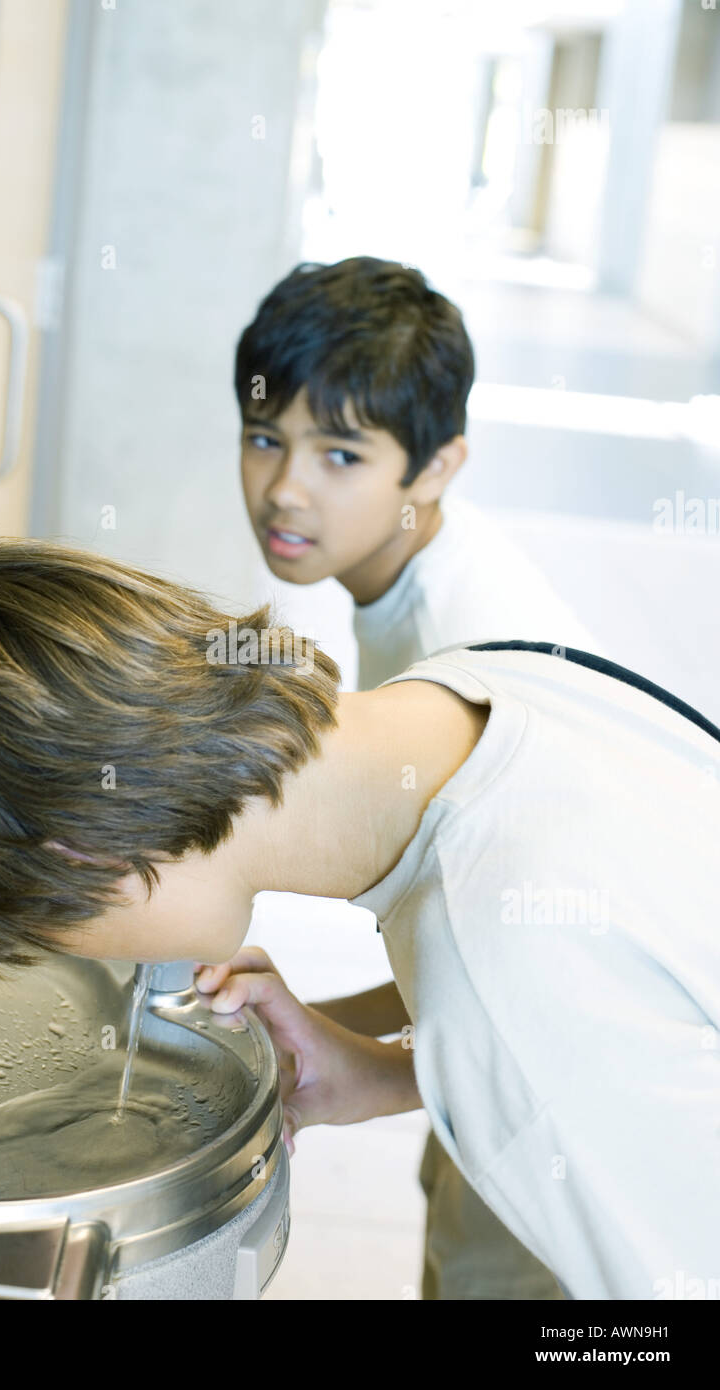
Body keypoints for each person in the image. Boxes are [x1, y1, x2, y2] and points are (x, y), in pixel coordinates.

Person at [0, 538, 720, 1300]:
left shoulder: (508, 969)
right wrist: (386, 1067)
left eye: (39, 945)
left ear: (77, 855)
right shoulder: (481, 684)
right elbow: (625, 1008)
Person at [235, 255, 599, 1298]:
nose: (285, 487)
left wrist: (369, 1069)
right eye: (266, 437)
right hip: (510, 1080)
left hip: (569, 1121)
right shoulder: (408, 569)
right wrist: (326, 1024)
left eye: (340, 452)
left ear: (434, 467)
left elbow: (544, 965)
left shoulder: (465, 651)